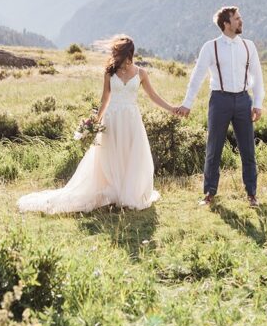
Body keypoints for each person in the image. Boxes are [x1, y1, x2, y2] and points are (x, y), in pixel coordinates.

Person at [17, 35, 175, 214]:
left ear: (128, 53)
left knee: (131, 155)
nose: (115, 55)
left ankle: (127, 195)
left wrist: (172, 108)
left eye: (118, 52)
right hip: (112, 119)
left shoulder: (141, 73)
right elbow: (104, 99)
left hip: (131, 120)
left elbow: (153, 96)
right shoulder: (110, 72)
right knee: (110, 156)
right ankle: (113, 194)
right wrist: (93, 123)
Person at [176, 6, 265, 208]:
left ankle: (252, 194)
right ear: (226, 23)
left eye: (240, 18)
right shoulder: (210, 47)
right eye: (237, 18)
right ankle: (209, 193)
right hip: (219, 100)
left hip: (243, 100)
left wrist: (257, 103)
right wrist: (187, 103)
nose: (241, 21)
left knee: (248, 150)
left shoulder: (249, 46)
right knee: (213, 149)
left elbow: (257, 76)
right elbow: (197, 76)